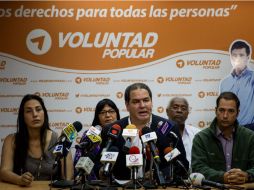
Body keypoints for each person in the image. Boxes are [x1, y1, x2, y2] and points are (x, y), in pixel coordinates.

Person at [100, 83, 189, 181]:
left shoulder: (168, 127)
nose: (142, 105)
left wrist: (157, 175)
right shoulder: (113, 129)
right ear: (127, 105)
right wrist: (102, 171)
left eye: (146, 100)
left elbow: (182, 166)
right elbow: (98, 166)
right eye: (136, 102)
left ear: (151, 102)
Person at [0, 94, 73, 186]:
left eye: (38, 109)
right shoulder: (11, 140)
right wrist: (19, 179)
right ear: (22, 116)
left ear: (44, 113)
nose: (35, 114)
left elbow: (68, 178)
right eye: (28, 111)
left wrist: (66, 143)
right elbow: (4, 172)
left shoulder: (59, 139)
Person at [192, 92, 254, 184]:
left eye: (231, 111)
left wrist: (247, 175)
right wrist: (223, 177)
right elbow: (198, 168)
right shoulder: (201, 138)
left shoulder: (250, 137)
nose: (225, 116)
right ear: (215, 111)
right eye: (221, 110)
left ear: (237, 113)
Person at [73, 98, 120, 179]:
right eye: (103, 112)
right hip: (94, 182)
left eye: (111, 111)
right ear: (97, 116)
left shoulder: (125, 134)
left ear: (117, 114)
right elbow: (78, 159)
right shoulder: (90, 134)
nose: (108, 115)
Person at [220, 39, 254, 129]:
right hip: (228, 129)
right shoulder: (224, 83)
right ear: (231, 57)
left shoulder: (252, 78)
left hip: (250, 129)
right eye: (234, 55)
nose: (238, 58)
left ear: (248, 57)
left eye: (241, 55)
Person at [166, 97, 200, 166]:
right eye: (175, 107)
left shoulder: (197, 134)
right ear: (167, 111)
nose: (179, 111)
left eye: (183, 108)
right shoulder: (159, 133)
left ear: (187, 113)